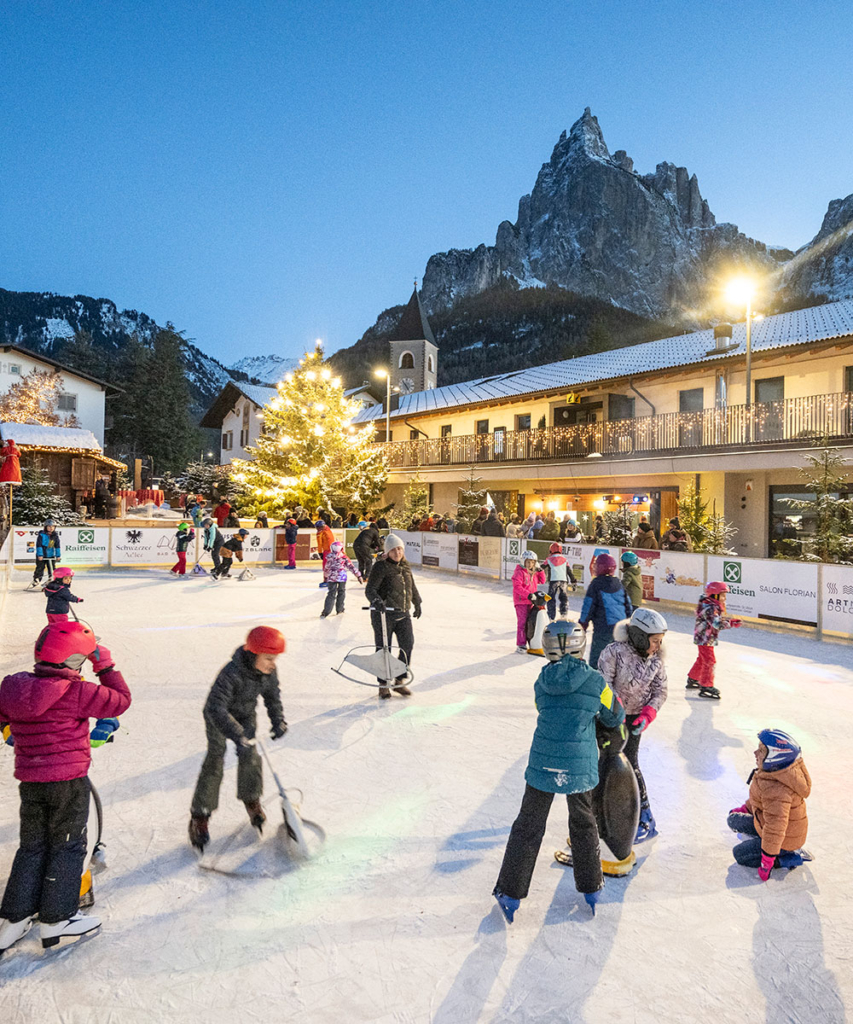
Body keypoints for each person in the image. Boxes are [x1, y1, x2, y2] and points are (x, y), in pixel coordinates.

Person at [0, 621, 131, 954]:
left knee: (32, 846)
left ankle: (14, 919)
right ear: (75, 661)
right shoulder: (77, 692)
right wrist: (106, 666)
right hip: (68, 784)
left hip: (31, 782)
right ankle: (57, 920)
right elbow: (119, 701)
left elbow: (2, 716)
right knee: (67, 846)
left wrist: (11, 733)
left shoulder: (12, 687)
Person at [493, 621, 625, 922]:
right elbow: (615, 713)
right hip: (578, 765)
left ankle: (510, 891)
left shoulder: (542, 680)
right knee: (583, 822)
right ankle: (591, 886)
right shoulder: (595, 682)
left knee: (528, 824)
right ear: (582, 646)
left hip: (543, 762)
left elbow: (542, 708)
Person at [188, 627, 287, 851]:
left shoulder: (269, 671)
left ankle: (251, 799)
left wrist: (278, 720)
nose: (273, 663)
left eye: (275, 658)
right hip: (218, 716)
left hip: (245, 714)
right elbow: (215, 707)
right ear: (254, 654)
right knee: (215, 760)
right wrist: (236, 732)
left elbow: (273, 697)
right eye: (269, 658)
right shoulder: (231, 673)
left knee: (250, 756)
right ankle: (200, 815)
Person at [597, 608, 668, 843]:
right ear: (639, 635)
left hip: (636, 718)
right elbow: (603, 685)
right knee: (605, 764)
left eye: (660, 641)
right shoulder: (614, 652)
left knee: (631, 763)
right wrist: (612, 712)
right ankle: (601, 815)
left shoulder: (656, 660)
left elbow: (660, 690)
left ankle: (644, 817)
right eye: (654, 641)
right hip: (611, 719)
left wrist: (648, 714)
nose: (657, 646)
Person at [727, 729, 812, 878]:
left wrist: (767, 862)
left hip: (784, 840)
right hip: (766, 823)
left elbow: (775, 829)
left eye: (761, 750)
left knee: (739, 854)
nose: (755, 753)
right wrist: (746, 808)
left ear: (775, 758)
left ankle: (787, 858)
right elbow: (760, 799)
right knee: (733, 820)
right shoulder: (771, 774)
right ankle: (767, 845)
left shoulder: (778, 790)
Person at [364, 534, 422, 698]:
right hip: (383, 615)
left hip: (403, 613)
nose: (397, 552)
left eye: (399, 548)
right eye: (393, 550)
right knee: (384, 650)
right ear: (387, 552)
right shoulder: (381, 567)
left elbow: (411, 585)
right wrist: (377, 601)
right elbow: (370, 590)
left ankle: (399, 680)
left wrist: (417, 602)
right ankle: (383, 684)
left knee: (407, 645)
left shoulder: (405, 566)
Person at [686, 581, 741, 699]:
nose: (724, 598)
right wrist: (730, 623)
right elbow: (716, 624)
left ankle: (693, 678)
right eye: (723, 595)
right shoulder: (710, 608)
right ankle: (706, 686)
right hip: (705, 638)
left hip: (705, 637)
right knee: (710, 661)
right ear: (714, 595)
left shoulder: (710, 605)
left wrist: (728, 621)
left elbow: (715, 620)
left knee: (702, 659)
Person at [579, 554, 633, 669]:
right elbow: (627, 604)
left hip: (603, 629)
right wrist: (629, 621)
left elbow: (588, 605)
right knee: (619, 658)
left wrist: (583, 623)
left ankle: (595, 679)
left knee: (597, 658)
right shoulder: (618, 583)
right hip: (621, 629)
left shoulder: (596, 584)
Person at [511, 550, 546, 653]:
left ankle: (532, 642)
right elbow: (517, 587)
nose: (530, 564)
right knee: (522, 623)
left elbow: (542, 581)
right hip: (521, 602)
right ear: (523, 562)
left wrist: (540, 571)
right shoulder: (519, 572)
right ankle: (521, 644)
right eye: (528, 562)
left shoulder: (533, 573)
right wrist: (528, 595)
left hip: (531, 602)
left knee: (530, 623)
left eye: (533, 562)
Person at [320, 541, 363, 618]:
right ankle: (340, 609)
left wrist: (325, 577)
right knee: (341, 592)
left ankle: (326, 611)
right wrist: (358, 575)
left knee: (331, 593)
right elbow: (351, 567)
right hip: (342, 577)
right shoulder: (344, 557)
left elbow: (326, 568)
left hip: (332, 577)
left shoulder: (329, 557)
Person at [542, 542, 576, 621]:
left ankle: (551, 615)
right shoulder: (564, 559)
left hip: (553, 580)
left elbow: (542, 567)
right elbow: (569, 571)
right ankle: (564, 615)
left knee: (551, 598)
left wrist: (535, 571)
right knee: (563, 598)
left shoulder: (549, 559)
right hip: (563, 581)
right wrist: (573, 580)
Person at [30, 519, 62, 588]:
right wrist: (40, 555)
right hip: (42, 555)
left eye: (53, 526)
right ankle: (37, 579)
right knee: (40, 568)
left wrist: (58, 555)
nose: (51, 528)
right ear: (46, 527)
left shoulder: (55, 536)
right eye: (49, 526)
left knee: (52, 568)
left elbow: (57, 546)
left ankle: (52, 580)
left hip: (51, 555)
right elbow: (39, 546)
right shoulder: (41, 535)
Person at [315, 519, 335, 585]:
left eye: (318, 527)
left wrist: (320, 552)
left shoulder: (320, 533)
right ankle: (330, 579)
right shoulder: (328, 530)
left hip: (328, 551)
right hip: (332, 550)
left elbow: (319, 543)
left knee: (326, 566)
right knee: (330, 566)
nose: (317, 529)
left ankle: (327, 580)